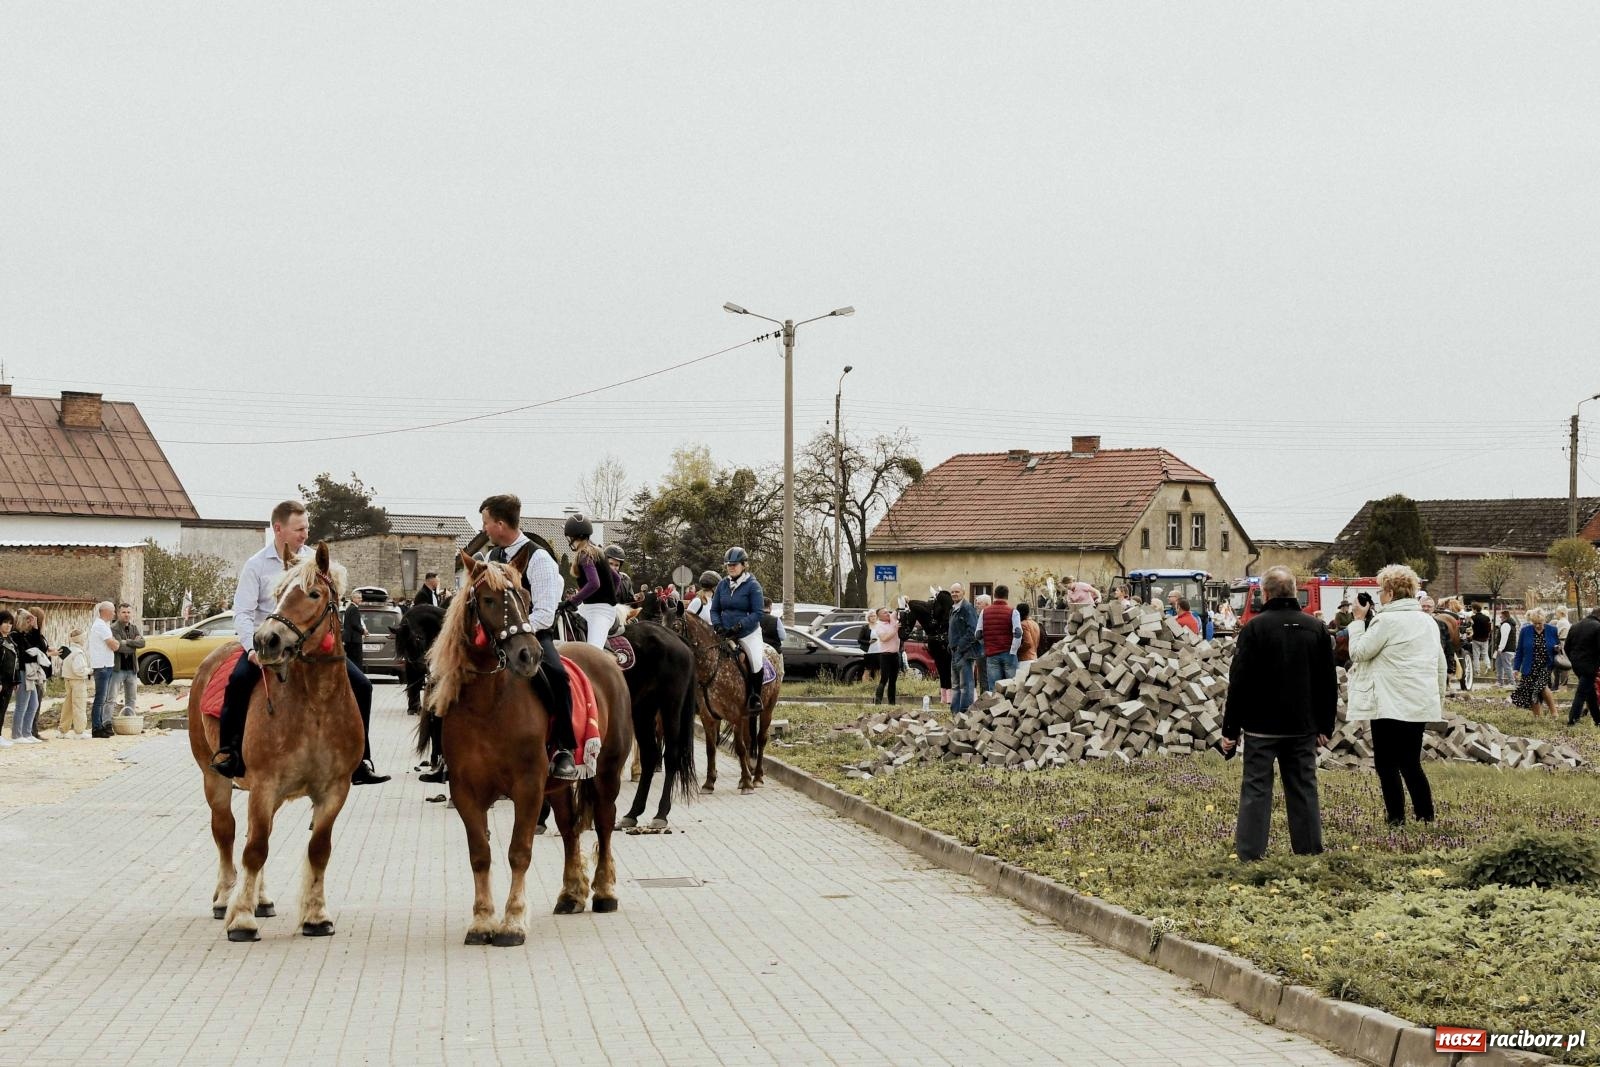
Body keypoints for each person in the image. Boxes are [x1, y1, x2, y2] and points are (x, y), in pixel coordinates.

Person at [210, 500, 390, 785]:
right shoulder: (256, 565)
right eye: (299, 529)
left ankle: (359, 760)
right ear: (278, 529)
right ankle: (231, 753)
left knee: (362, 686)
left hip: (309, 648)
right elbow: (243, 614)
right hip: (268, 645)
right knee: (238, 682)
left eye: (306, 528)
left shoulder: (313, 562)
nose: (305, 534)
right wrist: (251, 649)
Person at [1221, 566, 1335, 860]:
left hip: (1261, 725)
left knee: (1256, 790)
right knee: (1303, 788)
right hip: (1302, 725)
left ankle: (1250, 855)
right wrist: (1325, 725)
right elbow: (1327, 682)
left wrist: (1230, 730)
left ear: (1264, 593)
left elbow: (1240, 682)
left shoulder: (1254, 629)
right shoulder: (1316, 629)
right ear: (1295, 592)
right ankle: (1309, 851)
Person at [479, 494, 579, 781]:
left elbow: (546, 614)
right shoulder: (491, 557)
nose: (484, 529)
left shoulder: (540, 559)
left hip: (532, 636)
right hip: (497, 638)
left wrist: (513, 634)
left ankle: (563, 747)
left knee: (557, 675)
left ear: (500, 524)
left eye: (486, 523)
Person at [1347, 564, 1445, 826]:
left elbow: (1358, 653)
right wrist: (1438, 699)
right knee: (1411, 763)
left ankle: (1396, 819)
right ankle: (1426, 816)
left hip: (1389, 703)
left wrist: (1358, 621)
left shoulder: (1385, 621)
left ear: (1389, 592)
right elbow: (1441, 664)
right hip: (1418, 702)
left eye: (1380, 590)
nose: (1378, 595)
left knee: (1387, 764)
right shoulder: (1428, 622)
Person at [709, 547, 766, 714]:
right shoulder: (722, 585)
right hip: (725, 632)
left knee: (756, 661)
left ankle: (755, 697)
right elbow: (714, 610)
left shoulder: (753, 586)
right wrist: (717, 625)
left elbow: (758, 613)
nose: (731, 567)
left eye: (734, 564)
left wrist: (740, 626)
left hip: (747, 633)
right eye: (728, 565)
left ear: (744, 565)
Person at [560, 514, 618, 648]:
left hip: (599, 613)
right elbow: (616, 578)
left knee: (593, 652)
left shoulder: (584, 554)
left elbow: (594, 583)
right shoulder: (598, 551)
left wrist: (572, 601)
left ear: (575, 536)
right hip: (589, 608)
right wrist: (609, 598)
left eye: (569, 536)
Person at [11, 610, 53, 743]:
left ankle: (26, 732)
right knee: (21, 704)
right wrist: (36, 654)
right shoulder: (15, 636)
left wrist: (36, 628)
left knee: (33, 703)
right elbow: (24, 655)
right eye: (28, 621)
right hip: (23, 671)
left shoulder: (25, 635)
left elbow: (38, 647)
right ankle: (17, 734)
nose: (30, 624)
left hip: (30, 672)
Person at [1511, 608, 1560, 718]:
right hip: (1530, 666)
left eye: (1540, 623)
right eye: (1535, 623)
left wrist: (1557, 648)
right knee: (1531, 691)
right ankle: (1538, 716)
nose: (1537, 626)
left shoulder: (1552, 630)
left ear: (1544, 620)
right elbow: (1519, 650)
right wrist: (1516, 668)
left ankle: (1554, 712)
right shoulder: (1525, 631)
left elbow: (1558, 645)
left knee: (1541, 686)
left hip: (1545, 665)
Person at [976, 585, 1021, 693]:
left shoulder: (984, 612)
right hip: (1009, 653)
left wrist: (987, 646)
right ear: (1007, 596)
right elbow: (1018, 633)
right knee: (1012, 688)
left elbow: (978, 634)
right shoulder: (1013, 612)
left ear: (994, 595)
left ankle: (996, 708)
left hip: (992, 655)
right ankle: (1011, 709)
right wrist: (1013, 650)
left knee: (995, 689)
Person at [1564, 607, 1600, 727]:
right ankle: (1572, 720)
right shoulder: (1597, 627)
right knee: (1581, 693)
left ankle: (1597, 719)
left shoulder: (1575, 626)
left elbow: (1566, 647)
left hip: (1577, 665)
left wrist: (1574, 660)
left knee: (1590, 693)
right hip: (1590, 665)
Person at [947, 583, 980, 714]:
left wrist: (960, 646)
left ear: (963, 593)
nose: (954, 594)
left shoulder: (967, 608)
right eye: (952, 592)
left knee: (966, 685)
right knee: (955, 686)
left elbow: (973, 631)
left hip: (965, 653)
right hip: (955, 652)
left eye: (957, 592)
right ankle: (955, 714)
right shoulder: (953, 609)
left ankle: (965, 714)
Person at [88, 602, 119, 737]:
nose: (114, 613)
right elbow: (114, 645)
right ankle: (96, 727)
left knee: (103, 697)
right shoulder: (101, 626)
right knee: (100, 698)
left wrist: (115, 642)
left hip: (106, 664)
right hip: (102, 666)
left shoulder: (104, 625)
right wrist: (116, 642)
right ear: (106, 611)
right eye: (113, 611)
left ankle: (100, 725)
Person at [108, 603, 144, 717]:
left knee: (131, 699)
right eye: (123, 612)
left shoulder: (134, 628)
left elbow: (142, 643)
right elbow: (118, 647)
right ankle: (107, 722)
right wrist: (133, 644)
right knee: (111, 698)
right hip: (117, 669)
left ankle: (130, 722)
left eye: (128, 612)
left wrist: (127, 642)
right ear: (118, 614)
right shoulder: (113, 628)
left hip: (132, 669)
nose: (126, 615)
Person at [57, 627, 91, 738]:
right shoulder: (79, 653)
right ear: (81, 639)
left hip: (68, 680)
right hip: (78, 682)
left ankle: (63, 730)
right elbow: (79, 670)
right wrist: (90, 671)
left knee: (68, 706)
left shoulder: (67, 650)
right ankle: (79, 731)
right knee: (79, 705)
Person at [871, 607, 901, 705]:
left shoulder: (892, 618)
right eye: (884, 613)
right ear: (879, 616)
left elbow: (898, 609)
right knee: (884, 679)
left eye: (888, 611)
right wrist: (895, 629)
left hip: (895, 655)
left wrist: (904, 599)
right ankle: (878, 702)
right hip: (885, 656)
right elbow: (884, 638)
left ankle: (892, 703)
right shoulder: (879, 626)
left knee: (893, 680)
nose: (887, 614)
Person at [0, 612, 17, 747]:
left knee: (4, 707)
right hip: (1, 680)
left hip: (10, 680)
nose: (8, 625)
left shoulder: (10, 640)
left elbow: (15, 662)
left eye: (10, 623)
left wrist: (15, 680)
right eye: (5, 622)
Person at [342, 592, 368, 668]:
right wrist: (363, 631)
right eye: (359, 598)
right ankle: (356, 679)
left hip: (349, 640)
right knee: (357, 663)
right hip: (354, 640)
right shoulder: (354, 609)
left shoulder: (349, 608)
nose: (361, 599)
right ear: (353, 599)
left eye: (361, 597)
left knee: (351, 662)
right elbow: (355, 624)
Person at [1016, 602, 1040, 680]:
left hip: (1024, 659)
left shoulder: (1023, 624)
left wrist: (1017, 651)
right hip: (1034, 657)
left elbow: (1028, 643)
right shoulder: (1035, 623)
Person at [1495, 610, 1518, 687]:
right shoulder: (1511, 625)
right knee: (1498, 665)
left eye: (1501, 616)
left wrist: (1500, 648)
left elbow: (1504, 638)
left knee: (1506, 666)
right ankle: (1499, 682)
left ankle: (1512, 683)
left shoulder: (1506, 625)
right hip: (1507, 649)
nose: (1500, 617)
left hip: (1505, 649)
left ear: (1504, 616)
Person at [1552, 607, 1572, 690]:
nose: (1556, 614)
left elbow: (1556, 633)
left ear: (1561, 613)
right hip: (1565, 643)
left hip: (1560, 643)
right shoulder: (1566, 621)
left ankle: (1559, 685)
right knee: (1563, 664)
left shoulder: (1561, 622)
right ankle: (1561, 684)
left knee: (1559, 664)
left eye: (1557, 612)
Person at [1469, 604, 1493, 672]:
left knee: (1476, 655)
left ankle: (1477, 670)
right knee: (1485, 654)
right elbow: (1489, 629)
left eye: (1472, 609)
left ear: (1475, 609)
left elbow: (1470, 627)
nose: (1472, 610)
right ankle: (1488, 665)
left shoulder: (1472, 617)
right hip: (1485, 639)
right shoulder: (1486, 618)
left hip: (1476, 638)